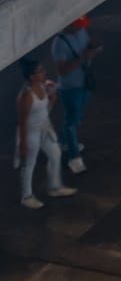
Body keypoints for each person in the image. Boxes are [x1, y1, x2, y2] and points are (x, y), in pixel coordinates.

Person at [15, 59, 74, 211]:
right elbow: (22, 121)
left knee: (55, 154)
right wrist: (23, 143)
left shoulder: (42, 86)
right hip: (31, 132)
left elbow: (44, 111)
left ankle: (54, 187)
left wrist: (53, 98)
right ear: (31, 76)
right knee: (29, 163)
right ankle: (26, 196)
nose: (44, 72)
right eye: (40, 71)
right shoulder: (26, 96)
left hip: (45, 128)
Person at [49, 18, 98, 174]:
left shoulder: (81, 31)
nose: (80, 29)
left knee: (75, 118)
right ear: (69, 24)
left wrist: (93, 47)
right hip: (71, 88)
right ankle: (74, 158)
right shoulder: (59, 44)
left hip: (84, 82)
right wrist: (85, 57)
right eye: (78, 26)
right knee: (72, 122)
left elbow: (88, 42)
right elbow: (62, 71)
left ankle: (64, 142)